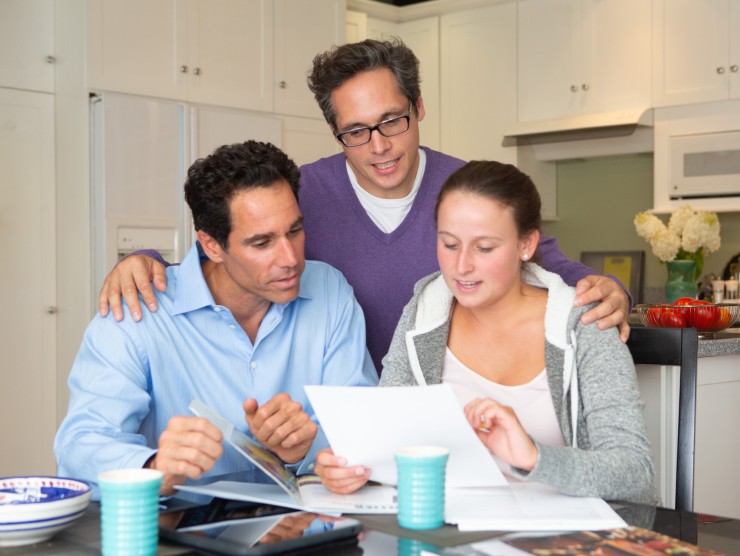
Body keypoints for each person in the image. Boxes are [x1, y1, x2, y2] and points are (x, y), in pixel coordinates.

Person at [96, 39, 631, 373]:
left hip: (442, 407)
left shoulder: (462, 187)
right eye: (355, 131)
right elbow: (227, 244)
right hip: (333, 421)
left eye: (393, 121)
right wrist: (140, 258)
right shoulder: (298, 195)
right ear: (335, 132)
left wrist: (607, 286)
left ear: (419, 108)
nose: (379, 146)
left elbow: (537, 256)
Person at [315, 161, 657, 505]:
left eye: (484, 248)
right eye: (449, 244)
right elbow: (385, 437)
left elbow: (635, 472)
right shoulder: (424, 313)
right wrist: (350, 467)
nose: (462, 266)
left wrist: (534, 457)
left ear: (526, 244)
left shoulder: (583, 325)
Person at [54, 141, 378, 497]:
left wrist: (304, 451)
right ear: (211, 246)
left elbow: (362, 430)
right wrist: (153, 467)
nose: (290, 258)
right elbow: (80, 446)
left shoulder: (330, 293)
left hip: (303, 533)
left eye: (295, 231)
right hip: (180, 536)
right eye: (262, 243)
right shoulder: (137, 311)